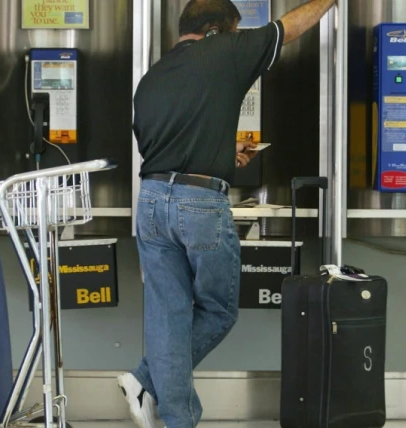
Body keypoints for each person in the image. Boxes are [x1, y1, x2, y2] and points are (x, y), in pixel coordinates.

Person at [117, 0, 336, 427]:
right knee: (218, 310)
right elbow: (286, 28)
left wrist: (219, 151)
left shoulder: (151, 79)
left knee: (168, 315)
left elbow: (160, 147)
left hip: (152, 201)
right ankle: (144, 378)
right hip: (199, 205)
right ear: (219, 31)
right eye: (236, 31)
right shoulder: (225, 50)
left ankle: (171, 412)